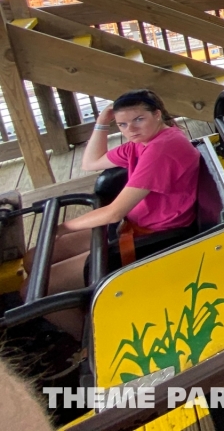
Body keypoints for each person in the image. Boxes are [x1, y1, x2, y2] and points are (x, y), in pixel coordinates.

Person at [21, 90, 200, 339]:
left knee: (38, 289)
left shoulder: (163, 148)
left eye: (139, 119)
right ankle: (84, 309)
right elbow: (91, 162)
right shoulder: (141, 144)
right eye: (123, 124)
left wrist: (64, 227)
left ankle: (92, 345)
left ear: (157, 114)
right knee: (33, 258)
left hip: (155, 237)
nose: (131, 129)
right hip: (132, 226)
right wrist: (102, 123)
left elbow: (114, 212)